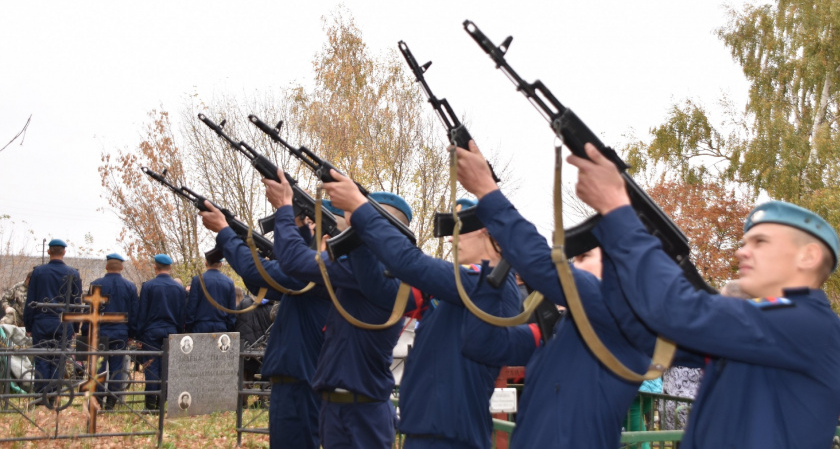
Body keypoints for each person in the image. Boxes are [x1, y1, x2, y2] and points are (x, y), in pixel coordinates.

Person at [569, 142, 840, 447]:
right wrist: (615, 251)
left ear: (808, 256)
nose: (741, 252)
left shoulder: (807, 323)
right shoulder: (765, 328)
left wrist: (620, 211)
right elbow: (647, 335)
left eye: (760, 242)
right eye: (744, 242)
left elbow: (679, 312)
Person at [455, 142, 661, 447]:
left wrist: (487, 190)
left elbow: (542, 265)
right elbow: (481, 345)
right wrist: (492, 275)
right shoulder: (567, 327)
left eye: (585, 256)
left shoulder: (618, 314)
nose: (574, 263)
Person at [323, 171, 528, 448]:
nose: (452, 238)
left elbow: (410, 263)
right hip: (427, 431)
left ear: (486, 229)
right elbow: (382, 292)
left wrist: (361, 209)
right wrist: (358, 240)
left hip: (451, 437)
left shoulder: (491, 284)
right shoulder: (464, 285)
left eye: (460, 228)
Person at [264, 168, 406, 449]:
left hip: (362, 413)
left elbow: (293, 260)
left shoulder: (375, 272)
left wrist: (284, 208)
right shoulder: (362, 268)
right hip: (338, 408)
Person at [199, 200, 330, 449]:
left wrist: (225, 231)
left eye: (313, 223)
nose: (307, 227)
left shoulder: (320, 271)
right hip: (298, 379)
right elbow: (265, 282)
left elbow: (256, 271)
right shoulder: (313, 274)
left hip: (299, 382)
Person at [24, 239, 82, 397]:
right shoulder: (73, 273)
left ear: (49, 252)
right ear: (64, 252)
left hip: (41, 322)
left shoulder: (38, 272)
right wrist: (75, 327)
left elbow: (31, 300)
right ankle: (54, 396)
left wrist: (28, 325)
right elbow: (76, 302)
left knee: (42, 359)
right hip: (64, 322)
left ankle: (41, 396)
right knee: (59, 360)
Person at [133, 253, 186, 411]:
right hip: (171, 331)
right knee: (168, 367)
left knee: (151, 367)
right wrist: (179, 333)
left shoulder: (149, 286)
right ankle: (162, 403)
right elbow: (181, 314)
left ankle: (150, 405)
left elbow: (142, 313)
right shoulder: (178, 288)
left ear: (155, 267)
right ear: (170, 267)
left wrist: (139, 336)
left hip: (151, 331)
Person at [87, 253, 138, 410]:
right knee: (117, 367)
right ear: (122, 267)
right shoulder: (129, 287)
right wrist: (132, 334)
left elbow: (90, 311)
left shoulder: (96, 285)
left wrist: (85, 331)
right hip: (120, 332)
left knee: (100, 366)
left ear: (106, 266)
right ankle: (112, 401)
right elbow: (134, 313)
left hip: (100, 331)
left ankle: (98, 399)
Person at [234, 286, 272, 408]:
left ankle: (242, 402)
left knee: (245, 375)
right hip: (264, 346)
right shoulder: (270, 307)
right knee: (266, 375)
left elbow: (236, 320)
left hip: (246, 344)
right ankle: (264, 399)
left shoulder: (244, 303)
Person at [185, 258, 236, 333]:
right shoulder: (229, 283)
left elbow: (192, 306)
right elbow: (232, 310)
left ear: (206, 263)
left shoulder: (197, 280)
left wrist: (189, 327)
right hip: (221, 326)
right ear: (221, 264)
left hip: (200, 326)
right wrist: (229, 328)